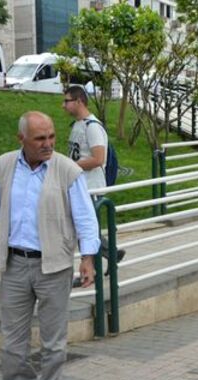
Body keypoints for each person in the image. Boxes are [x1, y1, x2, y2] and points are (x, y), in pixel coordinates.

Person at [0, 111, 101, 380]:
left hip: (53, 265)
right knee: (13, 336)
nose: (48, 144)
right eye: (40, 138)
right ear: (22, 139)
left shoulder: (66, 170)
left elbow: (85, 217)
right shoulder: (3, 166)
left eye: (52, 136)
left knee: (53, 338)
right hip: (15, 263)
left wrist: (88, 258)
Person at [63, 85, 124, 263]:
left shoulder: (93, 127)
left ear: (79, 101)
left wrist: (70, 165)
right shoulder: (78, 125)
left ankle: (103, 259)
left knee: (86, 229)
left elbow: (98, 159)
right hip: (79, 185)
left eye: (67, 101)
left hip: (90, 187)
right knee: (85, 228)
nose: (63, 105)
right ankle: (109, 256)